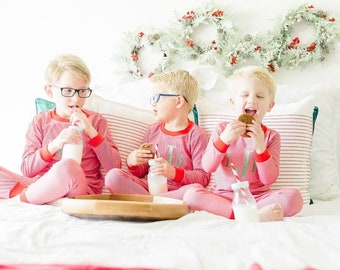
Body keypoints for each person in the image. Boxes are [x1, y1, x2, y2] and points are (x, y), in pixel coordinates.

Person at [183, 65, 303, 221]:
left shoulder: (271, 137)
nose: (252, 100)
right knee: (192, 195)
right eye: (245, 94)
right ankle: (248, 216)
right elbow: (207, 166)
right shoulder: (222, 130)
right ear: (233, 102)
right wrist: (224, 140)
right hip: (223, 197)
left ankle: (242, 214)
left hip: (258, 199)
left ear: (270, 106)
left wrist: (260, 146)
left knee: (294, 197)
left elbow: (269, 180)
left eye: (260, 96)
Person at [0, 54, 121, 204]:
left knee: (68, 166)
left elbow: (114, 167)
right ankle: (39, 196)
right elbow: (27, 169)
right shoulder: (40, 121)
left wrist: (91, 131)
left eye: (82, 91)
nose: (76, 99)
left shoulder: (96, 121)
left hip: (78, 189)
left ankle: (24, 199)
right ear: (50, 91)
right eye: (68, 91)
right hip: (41, 185)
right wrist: (54, 145)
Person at [105, 70, 209, 198]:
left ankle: (153, 205)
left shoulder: (196, 135)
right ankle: (154, 205)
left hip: (177, 192)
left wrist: (173, 173)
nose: (153, 102)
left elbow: (203, 177)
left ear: (179, 101)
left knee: (195, 191)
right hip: (149, 188)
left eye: (157, 98)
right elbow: (142, 171)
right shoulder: (152, 131)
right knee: (113, 176)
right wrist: (133, 162)